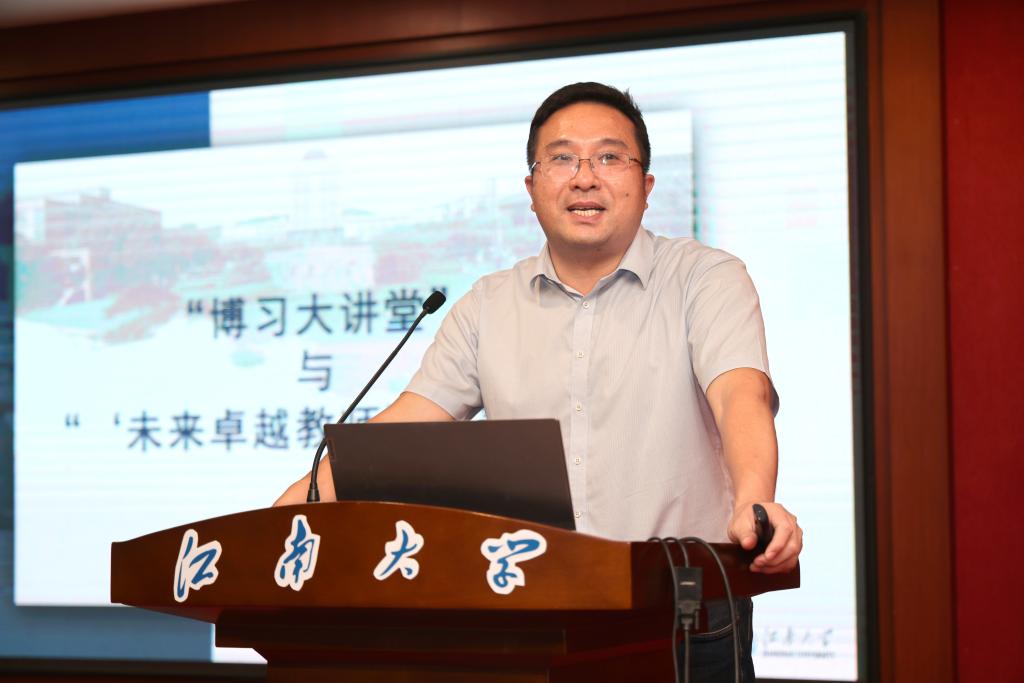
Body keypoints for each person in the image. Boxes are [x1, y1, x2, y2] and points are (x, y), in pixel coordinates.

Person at [275, 82, 803, 680]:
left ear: (646, 185)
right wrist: (292, 508)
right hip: (537, 614)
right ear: (531, 189)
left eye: (609, 157)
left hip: (684, 610)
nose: (585, 178)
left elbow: (740, 395)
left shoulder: (705, 278)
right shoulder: (486, 305)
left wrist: (756, 499)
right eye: (562, 159)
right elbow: (401, 430)